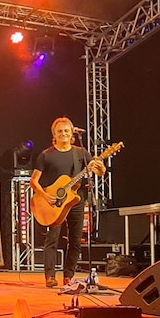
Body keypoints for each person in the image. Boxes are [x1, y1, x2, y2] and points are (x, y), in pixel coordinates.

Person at [30, 117, 106, 288]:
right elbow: (34, 181)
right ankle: (50, 276)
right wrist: (44, 195)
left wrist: (99, 166)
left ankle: (68, 275)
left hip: (76, 200)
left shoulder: (80, 153)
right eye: (60, 131)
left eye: (66, 131)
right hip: (54, 201)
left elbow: (100, 172)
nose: (63, 134)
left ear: (72, 133)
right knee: (52, 238)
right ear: (54, 135)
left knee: (76, 239)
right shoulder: (46, 155)